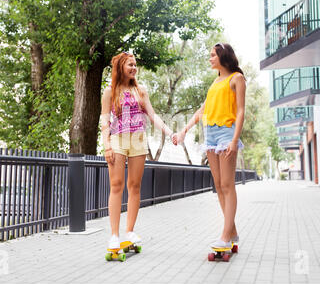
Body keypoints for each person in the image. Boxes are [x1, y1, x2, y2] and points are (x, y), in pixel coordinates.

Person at [172, 43, 246, 249]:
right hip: (210, 135)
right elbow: (201, 110)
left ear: (224, 56)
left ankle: (225, 234)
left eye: (213, 55)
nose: (210, 58)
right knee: (219, 185)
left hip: (226, 133)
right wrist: (183, 131)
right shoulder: (215, 82)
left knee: (227, 185)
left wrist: (234, 140)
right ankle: (231, 231)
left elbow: (240, 112)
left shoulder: (236, 79)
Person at [100, 51, 174, 250]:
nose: (134, 68)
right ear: (120, 67)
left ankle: (129, 231)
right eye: (130, 65)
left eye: (135, 65)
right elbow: (104, 120)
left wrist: (170, 132)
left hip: (138, 141)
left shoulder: (140, 90)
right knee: (116, 185)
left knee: (135, 187)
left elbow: (153, 116)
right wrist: (107, 146)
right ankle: (114, 235)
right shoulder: (110, 92)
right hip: (117, 140)